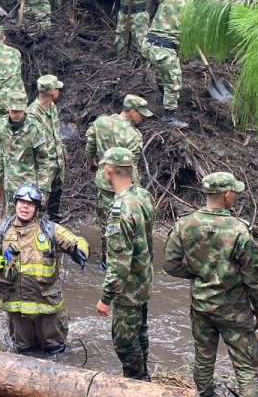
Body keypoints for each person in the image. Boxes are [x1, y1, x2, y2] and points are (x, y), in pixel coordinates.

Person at [163, 172, 258, 397]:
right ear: (227, 195)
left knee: (203, 358)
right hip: (234, 311)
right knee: (245, 366)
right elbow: (252, 278)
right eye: (234, 193)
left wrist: (198, 274)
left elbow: (169, 265)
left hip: (201, 306)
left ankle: (205, 394)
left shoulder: (185, 224)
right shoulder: (239, 230)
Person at [0, 184, 89, 355]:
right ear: (16, 203)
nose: (25, 207)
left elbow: (77, 241)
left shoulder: (49, 230)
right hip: (17, 310)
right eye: (22, 202)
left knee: (56, 353)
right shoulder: (1, 230)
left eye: (30, 204)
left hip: (48, 309)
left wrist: (80, 250)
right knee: (23, 353)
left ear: (36, 208)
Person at [96, 147, 155, 380]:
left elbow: (119, 263)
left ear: (108, 170)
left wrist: (105, 298)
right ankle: (145, 378)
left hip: (128, 289)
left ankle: (136, 383)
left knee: (124, 343)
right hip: (143, 283)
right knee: (140, 334)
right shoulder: (143, 195)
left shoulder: (120, 210)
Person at [86, 94, 153, 241]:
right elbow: (132, 166)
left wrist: (91, 162)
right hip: (124, 186)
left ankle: (105, 259)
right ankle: (122, 251)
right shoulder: (134, 135)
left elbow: (90, 146)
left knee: (106, 219)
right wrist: (135, 188)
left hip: (104, 179)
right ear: (133, 112)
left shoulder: (101, 122)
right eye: (141, 114)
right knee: (125, 218)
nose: (143, 118)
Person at [143, 0, 187, 128]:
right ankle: (169, 117)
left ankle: (162, 95)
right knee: (174, 81)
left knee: (161, 70)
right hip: (164, 49)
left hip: (148, 44)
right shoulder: (191, 8)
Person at [0, 97, 52, 204]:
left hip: (28, 188)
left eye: (20, 110)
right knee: (10, 218)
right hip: (9, 186)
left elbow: (43, 160)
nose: (17, 114)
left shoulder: (34, 128)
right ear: (7, 108)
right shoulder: (2, 124)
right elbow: (1, 153)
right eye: (14, 111)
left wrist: (42, 190)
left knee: (28, 218)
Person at [26, 75, 66, 222]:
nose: (59, 91)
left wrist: (62, 151)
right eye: (57, 89)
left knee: (57, 191)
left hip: (57, 159)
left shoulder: (52, 108)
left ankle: (54, 219)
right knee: (42, 196)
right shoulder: (32, 114)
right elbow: (32, 144)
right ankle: (39, 223)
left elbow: (55, 133)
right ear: (51, 92)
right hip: (44, 163)